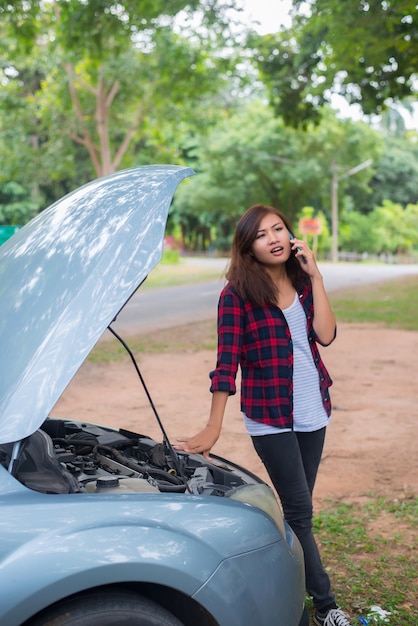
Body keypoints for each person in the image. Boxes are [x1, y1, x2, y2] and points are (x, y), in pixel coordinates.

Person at [176, 204, 352, 626]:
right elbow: (226, 362)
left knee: (297, 512)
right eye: (261, 234)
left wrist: (316, 276)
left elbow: (326, 336)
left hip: (313, 408)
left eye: (278, 229)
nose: (273, 238)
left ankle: (284, 581)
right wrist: (214, 425)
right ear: (247, 247)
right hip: (269, 415)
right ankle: (326, 607)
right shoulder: (235, 294)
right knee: (299, 510)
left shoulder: (302, 283)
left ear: (291, 236)